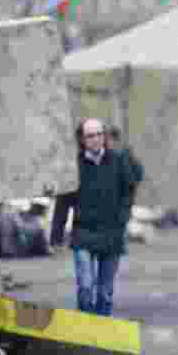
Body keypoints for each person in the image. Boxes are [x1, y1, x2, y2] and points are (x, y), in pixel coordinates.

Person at [52, 118, 136, 315]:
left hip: (111, 233)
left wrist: (123, 217)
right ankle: (86, 330)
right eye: (91, 135)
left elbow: (129, 190)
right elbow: (62, 202)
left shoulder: (118, 160)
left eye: (99, 134)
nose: (96, 139)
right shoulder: (73, 166)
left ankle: (102, 335)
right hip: (83, 233)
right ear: (82, 139)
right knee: (86, 287)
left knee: (105, 293)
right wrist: (56, 235)